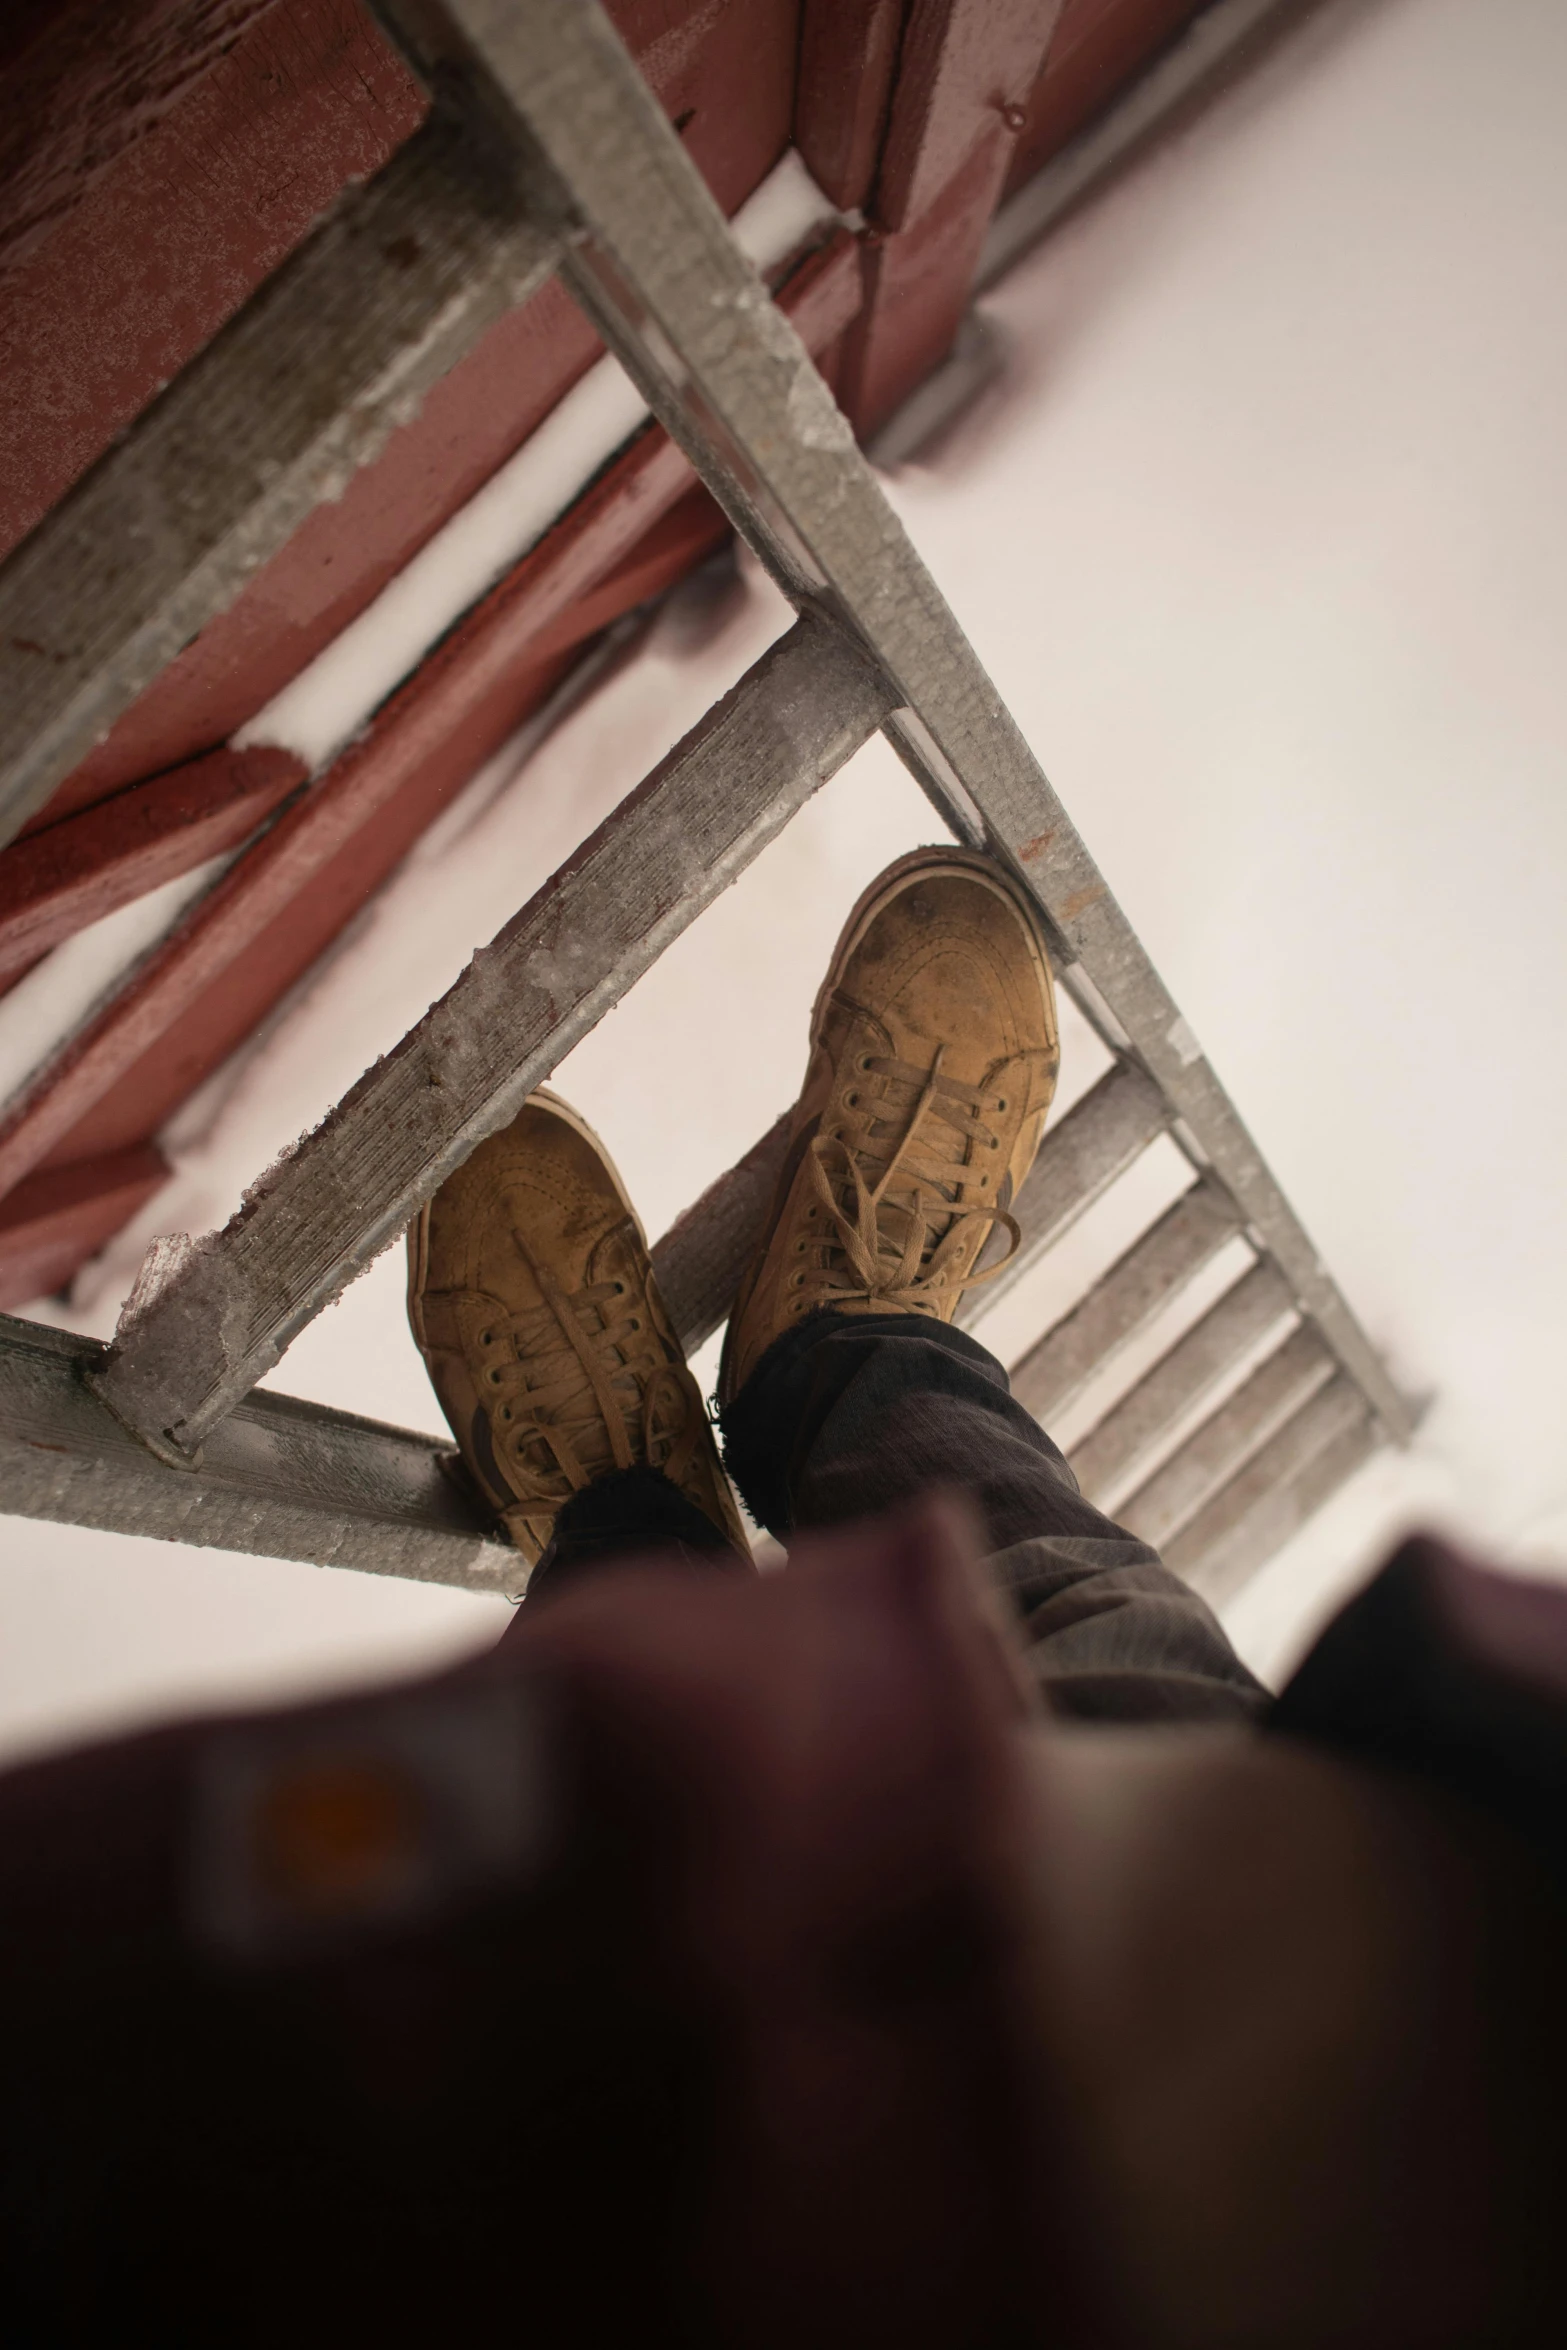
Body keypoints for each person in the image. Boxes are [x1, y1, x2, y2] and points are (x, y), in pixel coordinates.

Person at [0, 851, 1563, 2343]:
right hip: (1366, 1917)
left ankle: (629, 1512)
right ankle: (839, 1351)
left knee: (603, 1804)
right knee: (1070, 1601)